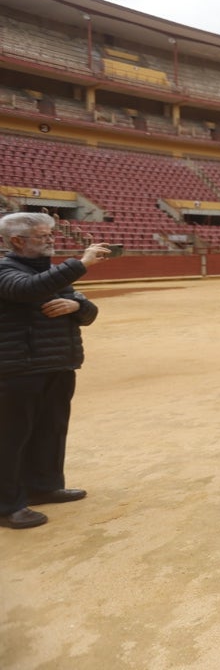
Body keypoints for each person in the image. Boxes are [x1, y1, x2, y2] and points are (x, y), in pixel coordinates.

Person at [0, 212, 109, 529]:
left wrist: (78, 306)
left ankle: (43, 486)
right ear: (17, 241)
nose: (51, 240)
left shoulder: (51, 273)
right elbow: (27, 290)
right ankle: (7, 505)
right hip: (19, 369)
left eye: (51, 235)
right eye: (42, 236)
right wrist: (82, 262)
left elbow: (87, 311)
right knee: (11, 437)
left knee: (51, 429)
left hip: (57, 365)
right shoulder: (6, 271)